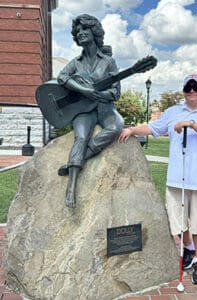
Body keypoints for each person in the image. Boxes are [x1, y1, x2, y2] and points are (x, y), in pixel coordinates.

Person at [118, 74, 197, 285]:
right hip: (177, 178)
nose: (191, 90)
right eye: (188, 87)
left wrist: (191, 124)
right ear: (183, 90)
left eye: (196, 86)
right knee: (179, 221)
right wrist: (131, 130)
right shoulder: (173, 112)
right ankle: (188, 249)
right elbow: (152, 128)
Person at [57, 14, 124, 208]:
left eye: (84, 30)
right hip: (83, 109)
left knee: (116, 126)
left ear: (94, 32)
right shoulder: (75, 63)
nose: (80, 34)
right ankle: (70, 188)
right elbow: (62, 77)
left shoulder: (108, 61)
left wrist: (100, 95)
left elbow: (115, 92)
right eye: (77, 32)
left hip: (104, 107)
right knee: (81, 136)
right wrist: (83, 90)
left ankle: (79, 159)